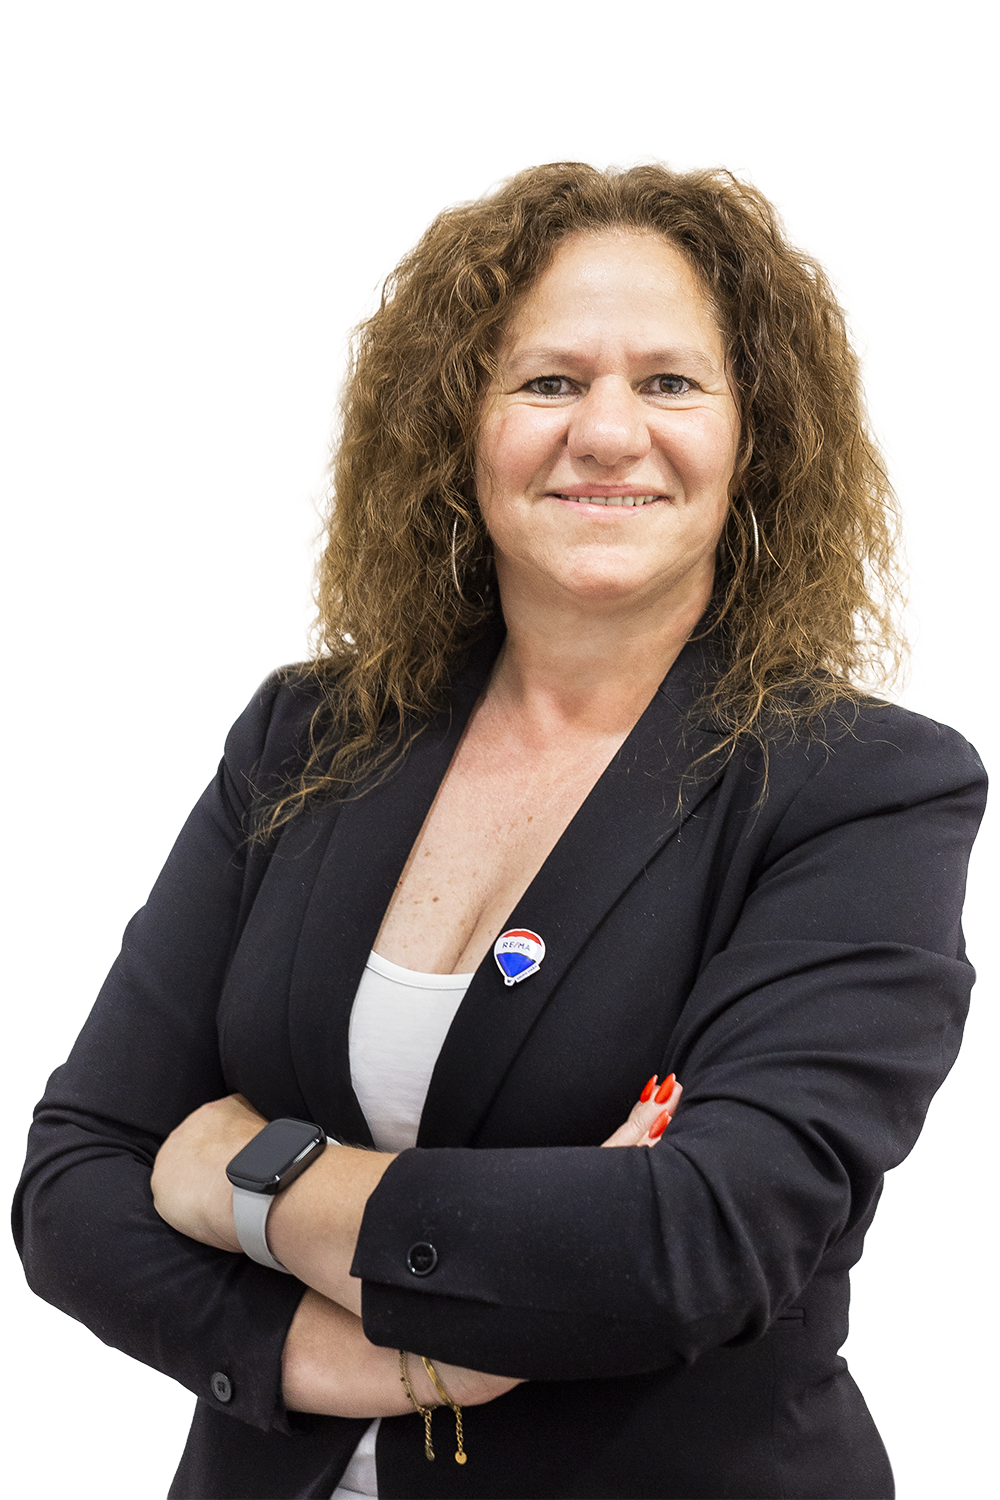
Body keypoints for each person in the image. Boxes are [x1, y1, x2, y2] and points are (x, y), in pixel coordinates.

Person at [12, 156, 986, 1500]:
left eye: (670, 382)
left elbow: (702, 1242)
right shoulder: (309, 735)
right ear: (457, 428)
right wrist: (382, 1365)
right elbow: (75, 1184)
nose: (608, 433)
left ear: (754, 436)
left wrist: (248, 1174)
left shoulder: (864, 787)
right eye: (548, 381)